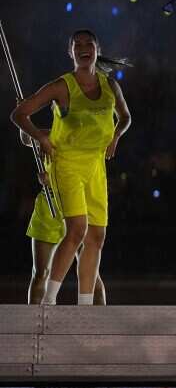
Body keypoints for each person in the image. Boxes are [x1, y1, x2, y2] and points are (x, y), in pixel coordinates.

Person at [10, 29, 130, 305]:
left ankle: (88, 319)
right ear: (70, 52)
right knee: (42, 271)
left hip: (91, 178)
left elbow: (124, 118)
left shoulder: (109, 87)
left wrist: (116, 135)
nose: (84, 48)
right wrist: (39, 136)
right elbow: (22, 130)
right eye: (78, 45)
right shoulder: (60, 98)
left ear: (98, 49)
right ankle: (43, 315)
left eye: (89, 44)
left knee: (93, 251)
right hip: (54, 197)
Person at [19, 135, 106, 304]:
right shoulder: (48, 134)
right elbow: (25, 138)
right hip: (49, 206)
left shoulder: (86, 131)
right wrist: (21, 108)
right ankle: (37, 327)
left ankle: (98, 328)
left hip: (77, 206)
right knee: (40, 273)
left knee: (93, 277)